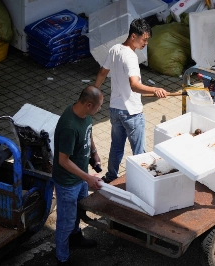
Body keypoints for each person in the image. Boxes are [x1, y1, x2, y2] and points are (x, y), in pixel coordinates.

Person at [94, 18, 168, 183]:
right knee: (140, 152)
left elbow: (102, 73)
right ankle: (141, 182)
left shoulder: (115, 49)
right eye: (144, 39)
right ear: (134, 36)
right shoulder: (131, 58)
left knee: (116, 147)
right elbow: (135, 85)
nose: (146, 43)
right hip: (132, 113)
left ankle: (111, 176)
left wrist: (94, 91)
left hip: (115, 110)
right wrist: (155, 89)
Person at [53, 86, 104, 265]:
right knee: (65, 221)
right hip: (68, 182)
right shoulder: (69, 126)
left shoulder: (85, 114)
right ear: (89, 104)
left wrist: (94, 152)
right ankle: (62, 257)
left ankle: (76, 238)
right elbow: (63, 161)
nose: (100, 110)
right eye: (99, 107)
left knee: (79, 211)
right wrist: (88, 178)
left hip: (81, 177)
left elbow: (89, 132)